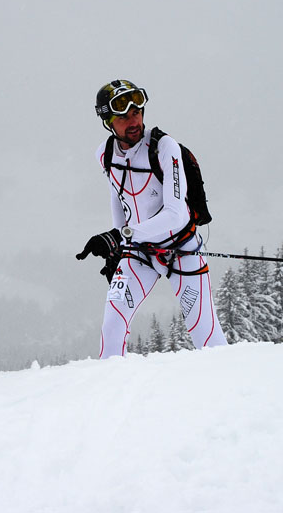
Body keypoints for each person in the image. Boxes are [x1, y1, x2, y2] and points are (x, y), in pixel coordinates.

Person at [76, 79, 228, 358]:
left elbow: (175, 214)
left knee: (206, 337)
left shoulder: (164, 147)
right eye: (123, 117)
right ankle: (109, 385)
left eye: (136, 113)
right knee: (112, 328)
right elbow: (118, 197)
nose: (133, 121)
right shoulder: (105, 154)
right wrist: (120, 247)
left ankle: (234, 382)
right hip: (139, 252)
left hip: (183, 248)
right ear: (108, 122)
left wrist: (120, 236)